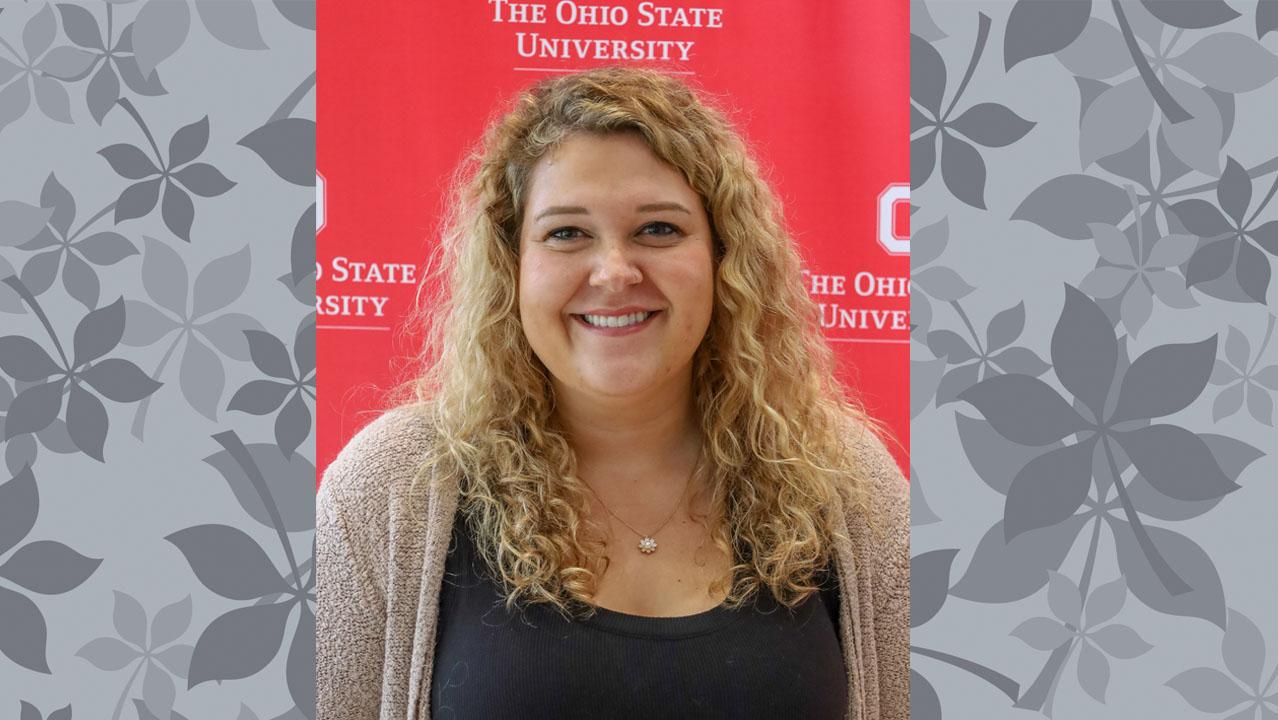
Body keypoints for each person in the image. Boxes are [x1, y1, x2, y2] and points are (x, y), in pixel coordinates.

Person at [316, 66, 908, 719]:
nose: (614, 272)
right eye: (567, 233)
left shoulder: (848, 485)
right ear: (513, 266)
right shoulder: (392, 488)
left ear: (723, 256)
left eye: (658, 229)